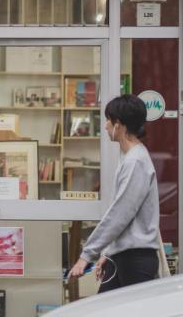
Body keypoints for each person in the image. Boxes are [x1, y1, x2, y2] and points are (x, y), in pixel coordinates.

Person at [68, 94, 161, 293]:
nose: (105, 126)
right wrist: (108, 253)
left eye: (108, 120)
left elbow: (120, 213)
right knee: (103, 306)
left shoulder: (135, 161)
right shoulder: (131, 157)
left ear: (119, 125)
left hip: (135, 261)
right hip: (125, 257)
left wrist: (87, 255)